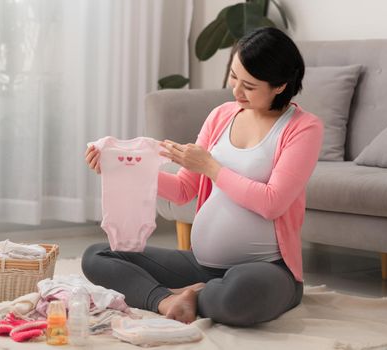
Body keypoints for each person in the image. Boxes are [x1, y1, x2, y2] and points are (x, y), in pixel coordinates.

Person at [82, 27, 323, 327]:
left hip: (266, 269)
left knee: (239, 297)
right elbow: (184, 189)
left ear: (280, 86)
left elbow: (272, 203)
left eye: (249, 86)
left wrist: (210, 167)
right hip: (201, 264)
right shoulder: (222, 115)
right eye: (234, 77)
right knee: (98, 255)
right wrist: (121, 169)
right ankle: (168, 300)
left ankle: (190, 296)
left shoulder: (303, 128)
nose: (236, 91)